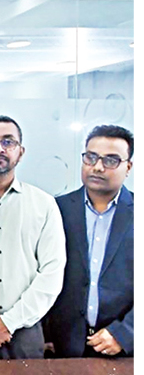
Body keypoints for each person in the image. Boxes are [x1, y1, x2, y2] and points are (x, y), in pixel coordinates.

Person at [0, 115, 66, 360]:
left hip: (25, 332)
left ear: (21, 152)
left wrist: (9, 321)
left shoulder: (44, 204)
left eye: (8, 142)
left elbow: (52, 272)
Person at [45, 125, 134, 358]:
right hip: (62, 347)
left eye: (111, 160)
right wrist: (43, 333)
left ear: (128, 167)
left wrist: (125, 334)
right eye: (91, 157)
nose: (97, 167)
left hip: (123, 350)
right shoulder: (57, 210)